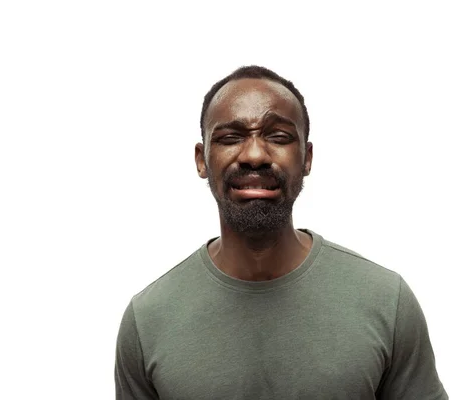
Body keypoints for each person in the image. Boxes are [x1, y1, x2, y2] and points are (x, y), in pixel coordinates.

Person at [114, 65, 448, 399]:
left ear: (307, 157)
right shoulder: (148, 321)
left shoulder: (386, 301)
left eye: (278, 137)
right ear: (202, 160)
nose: (255, 155)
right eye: (230, 138)